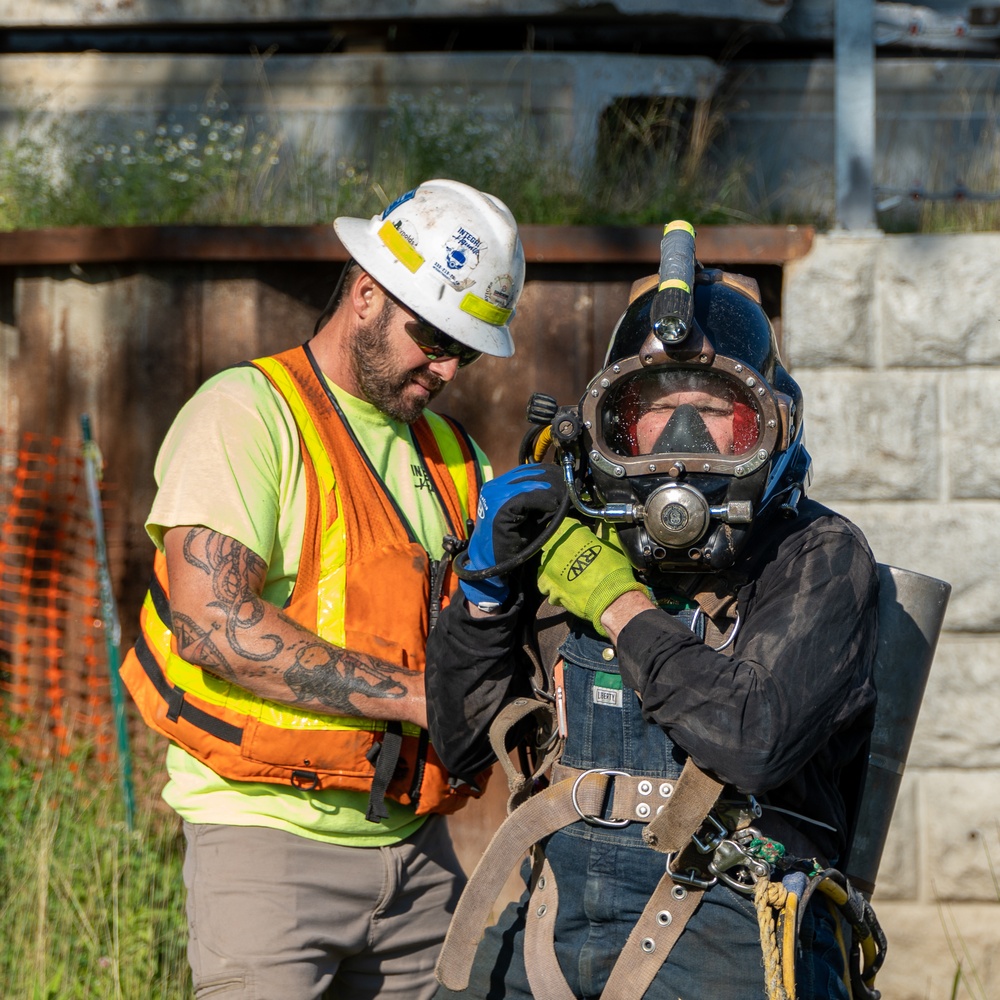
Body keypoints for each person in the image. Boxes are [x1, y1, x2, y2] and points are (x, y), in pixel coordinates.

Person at [425, 264, 881, 999]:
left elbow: (754, 740)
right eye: (657, 411)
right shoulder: (573, 536)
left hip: (736, 910)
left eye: (713, 414)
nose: (683, 438)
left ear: (770, 426)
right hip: (554, 904)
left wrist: (618, 604)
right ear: (610, 427)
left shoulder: (818, 554)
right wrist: (484, 591)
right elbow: (461, 745)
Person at [120, 178, 526, 1000]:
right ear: (367, 293)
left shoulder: (455, 456)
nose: (447, 367)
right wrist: (422, 697)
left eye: (468, 350)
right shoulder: (247, 414)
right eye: (433, 336)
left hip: (417, 855)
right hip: (266, 852)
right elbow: (214, 624)